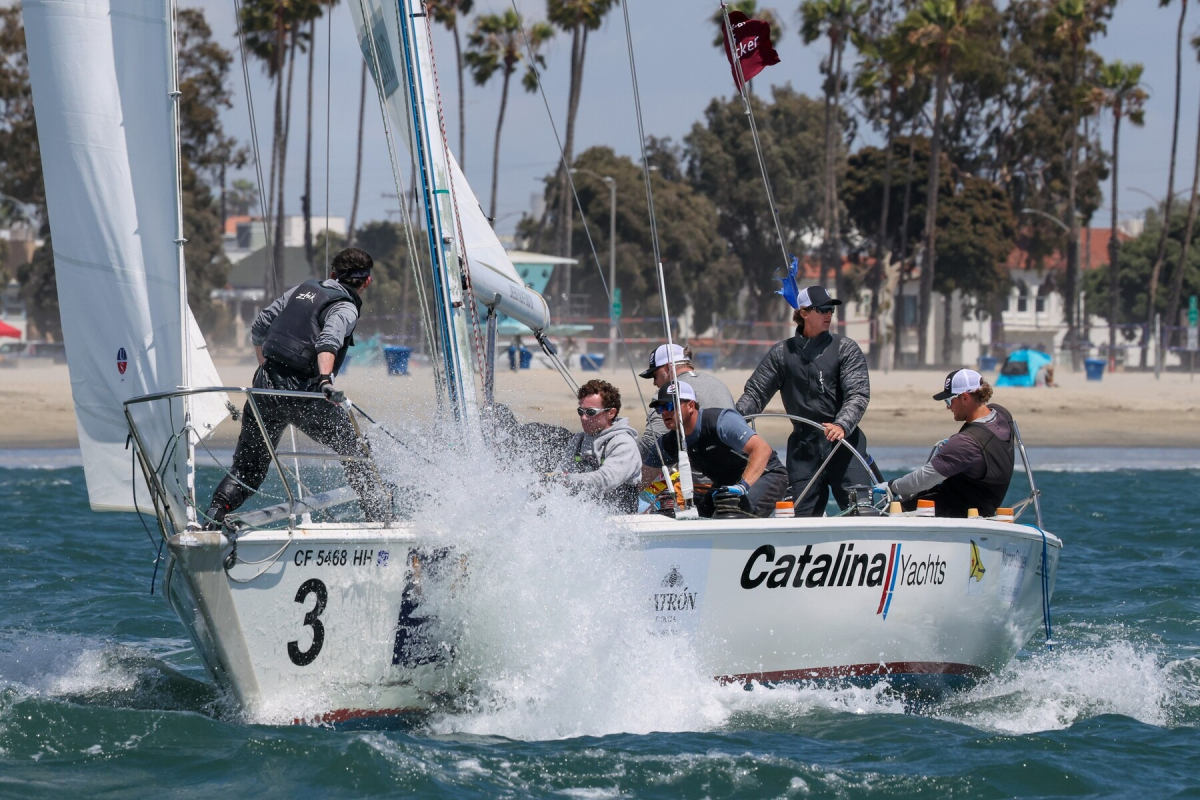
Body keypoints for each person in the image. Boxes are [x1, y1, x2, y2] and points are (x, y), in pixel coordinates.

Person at [204, 247, 389, 527]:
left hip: (265, 389)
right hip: (304, 394)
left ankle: (213, 516)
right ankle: (378, 520)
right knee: (355, 451)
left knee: (247, 469)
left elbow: (260, 324)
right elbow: (328, 341)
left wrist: (264, 365)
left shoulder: (302, 290)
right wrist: (325, 381)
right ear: (367, 281)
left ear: (332, 274)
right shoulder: (346, 307)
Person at [736, 285, 874, 516]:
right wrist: (732, 424)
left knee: (861, 514)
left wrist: (842, 424)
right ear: (804, 313)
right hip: (803, 451)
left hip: (844, 444)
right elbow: (755, 394)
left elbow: (858, 394)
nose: (829, 314)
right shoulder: (781, 353)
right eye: (822, 309)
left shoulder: (846, 348)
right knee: (798, 517)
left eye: (831, 309)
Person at [883, 369, 1016, 518]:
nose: (948, 407)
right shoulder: (1002, 414)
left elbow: (923, 479)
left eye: (949, 400)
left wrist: (892, 486)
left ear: (965, 397)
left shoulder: (965, 442)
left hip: (957, 511)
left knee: (885, 513)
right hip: (984, 507)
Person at [646, 381, 787, 518]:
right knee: (695, 517)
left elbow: (762, 449)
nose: (664, 413)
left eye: (670, 406)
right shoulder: (671, 442)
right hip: (725, 486)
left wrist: (742, 486)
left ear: (690, 406)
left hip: (766, 475)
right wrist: (634, 497)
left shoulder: (721, 422)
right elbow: (644, 472)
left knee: (733, 512)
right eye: (660, 408)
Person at [550, 379, 642, 513]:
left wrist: (567, 479)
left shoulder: (623, 443)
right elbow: (561, 472)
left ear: (611, 413)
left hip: (619, 518)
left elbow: (606, 480)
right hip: (582, 515)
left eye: (590, 412)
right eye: (581, 412)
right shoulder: (578, 440)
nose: (584, 417)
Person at [637, 343, 735, 464]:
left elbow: (652, 442)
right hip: (734, 465)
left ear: (668, 368)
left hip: (697, 471)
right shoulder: (718, 384)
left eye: (654, 376)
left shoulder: (669, 392)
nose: (654, 383)